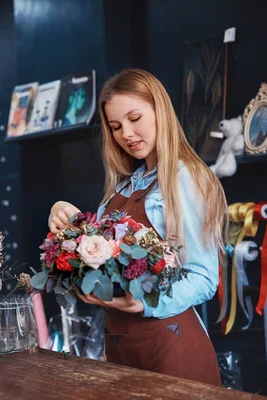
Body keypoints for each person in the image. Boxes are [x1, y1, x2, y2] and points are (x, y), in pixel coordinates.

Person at [48, 69, 228, 385]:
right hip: (120, 347)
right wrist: (67, 221)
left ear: (160, 111)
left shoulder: (184, 179)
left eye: (134, 118)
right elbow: (105, 267)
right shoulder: (122, 189)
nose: (126, 134)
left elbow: (204, 279)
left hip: (171, 350)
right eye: (116, 127)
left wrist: (144, 302)